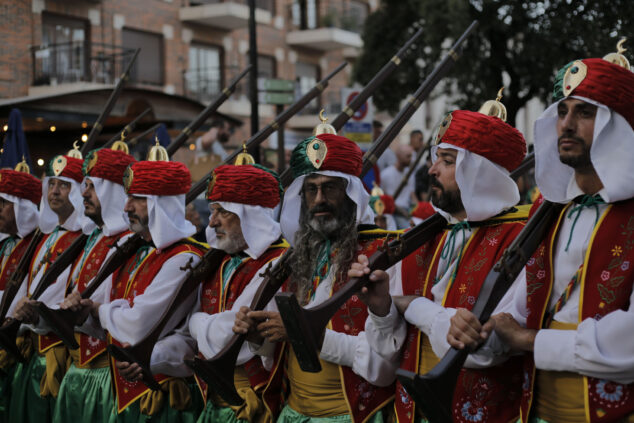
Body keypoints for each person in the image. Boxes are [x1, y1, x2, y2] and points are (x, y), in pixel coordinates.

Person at [447, 45, 634, 422]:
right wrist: (485, 326)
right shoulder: (548, 212)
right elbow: (519, 305)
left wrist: (528, 340)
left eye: (585, 112)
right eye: (561, 111)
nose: (566, 124)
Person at [350, 93, 530, 422]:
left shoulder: (519, 239)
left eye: (447, 161)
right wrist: (382, 307)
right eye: (436, 159)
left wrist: (411, 306)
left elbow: (485, 350)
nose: (432, 170)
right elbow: (385, 352)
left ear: (481, 173)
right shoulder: (427, 237)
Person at [235, 128, 403, 423]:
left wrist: (308, 334)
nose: (319, 199)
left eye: (330, 188)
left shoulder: (384, 254)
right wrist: (259, 335)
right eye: (311, 189)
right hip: (292, 414)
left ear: (350, 193)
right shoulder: (298, 256)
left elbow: (385, 361)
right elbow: (278, 347)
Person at [62, 144, 206, 421]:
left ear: (159, 205)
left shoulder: (183, 258)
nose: (126, 206)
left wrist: (96, 310)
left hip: (162, 397)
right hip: (129, 391)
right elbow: (114, 323)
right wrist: (82, 314)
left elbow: (137, 325)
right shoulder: (142, 251)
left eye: (137, 199)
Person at [188, 163, 288, 423]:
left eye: (223, 211)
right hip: (211, 402)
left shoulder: (279, 261)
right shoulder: (218, 260)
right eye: (212, 211)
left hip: (249, 405)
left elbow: (232, 338)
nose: (212, 221)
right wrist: (201, 324)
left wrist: (196, 323)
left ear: (250, 215)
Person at [51, 143, 136, 422]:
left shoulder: (128, 243)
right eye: (85, 184)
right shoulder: (91, 239)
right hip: (78, 372)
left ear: (112, 193)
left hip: (106, 379)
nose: (84, 192)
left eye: (93, 186)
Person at [8, 148, 86, 423]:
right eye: (51, 184)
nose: (55, 191)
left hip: (59, 355)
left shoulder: (83, 239)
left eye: (64, 185)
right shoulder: (47, 237)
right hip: (34, 349)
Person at [0, 160, 40, 422]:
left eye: (4, 204)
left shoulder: (37, 245)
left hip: (21, 354)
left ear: (23, 207)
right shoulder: (5, 244)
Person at [380, 144, 416, 227]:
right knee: (408, 229)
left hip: (408, 211)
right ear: (399, 156)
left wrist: (419, 209)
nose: (411, 159)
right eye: (408, 156)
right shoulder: (385, 174)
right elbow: (385, 198)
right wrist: (403, 212)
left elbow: (412, 194)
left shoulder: (410, 173)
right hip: (394, 212)